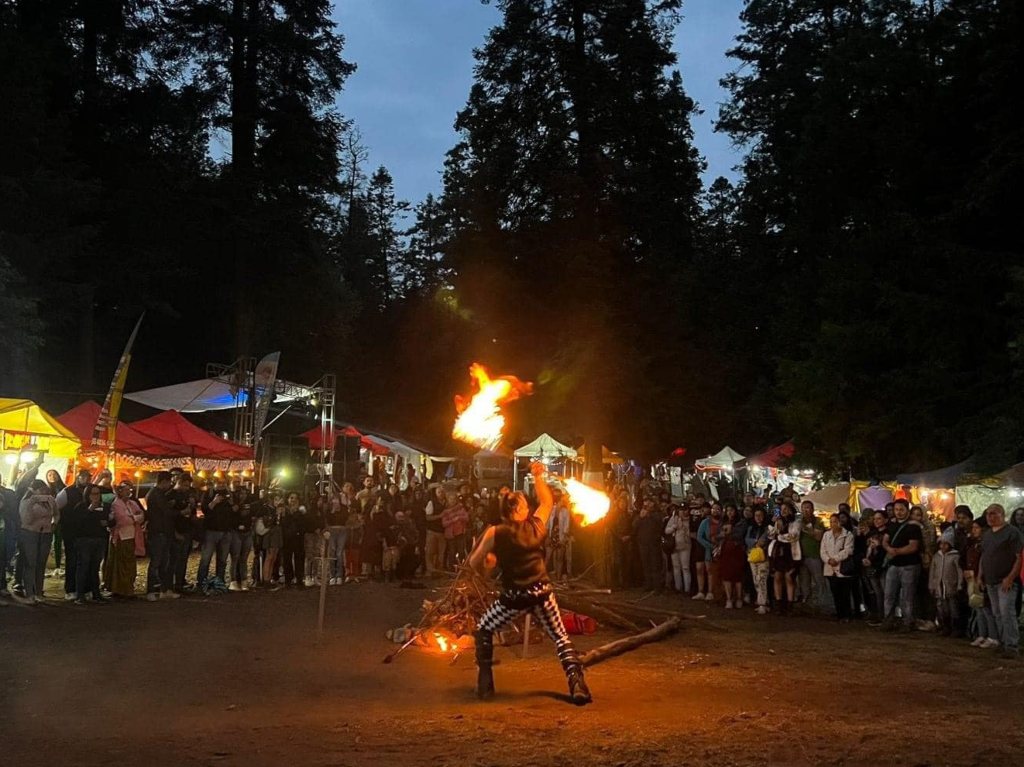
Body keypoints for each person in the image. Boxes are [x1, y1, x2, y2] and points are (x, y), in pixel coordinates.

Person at [469, 462, 592, 705]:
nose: (529, 506)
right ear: (516, 511)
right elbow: (547, 502)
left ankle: (485, 681)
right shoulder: (536, 526)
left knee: (484, 628)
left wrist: (489, 565)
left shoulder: (495, 533)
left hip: (514, 598)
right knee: (560, 637)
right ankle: (577, 684)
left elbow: (474, 562)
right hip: (542, 593)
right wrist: (537, 476)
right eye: (525, 504)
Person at [977, 504, 1023, 659]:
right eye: (988, 514)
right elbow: (984, 556)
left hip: (1006, 581)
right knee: (997, 613)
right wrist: (980, 576)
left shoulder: (1012, 533)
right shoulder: (987, 534)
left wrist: (1010, 577)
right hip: (990, 580)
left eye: (994, 514)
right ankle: (1004, 642)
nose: (990, 517)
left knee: (1006, 613)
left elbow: (1019, 557)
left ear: (1002, 514)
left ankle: (1012, 646)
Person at [66, 485, 112, 605]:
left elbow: (111, 519)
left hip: (99, 539)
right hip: (84, 540)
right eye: (93, 494)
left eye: (97, 494)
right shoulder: (81, 506)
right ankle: (80, 594)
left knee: (95, 568)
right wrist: (89, 510)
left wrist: (108, 522)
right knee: (83, 567)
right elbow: (76, 523)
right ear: (87, 495)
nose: (95, 496)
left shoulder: (104, 507)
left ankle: (95, 593)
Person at [881, 499, 923, 632]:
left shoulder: (913, 527)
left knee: (907, 596)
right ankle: (888, 620)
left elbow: (913, 546)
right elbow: (885, 540)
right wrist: (889, 549)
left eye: (901, 510)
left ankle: (907, 621)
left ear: (907, 510)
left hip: (909, 565)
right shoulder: (891, 525)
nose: (898, 512)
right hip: (894, 565)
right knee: (889, 594)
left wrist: (896, 551)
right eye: (896, 510)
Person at [16, 479, 58, 604]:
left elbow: (56, 513)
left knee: (41, 563)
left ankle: (39, 591)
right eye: (41, 490)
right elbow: (26, 520)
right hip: (30, 533)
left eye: (45, 490)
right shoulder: (26, 502)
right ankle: (29, 593)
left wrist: (54, 524)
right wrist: (32, 503)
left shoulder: (50, 500)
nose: (43, 493)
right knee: (31, 563)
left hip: (45, 533)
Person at [105, 481, 144, 599]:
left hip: (132, 536)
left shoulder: (132, 503)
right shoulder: (116, 505)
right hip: (122, 536)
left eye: (129, 490)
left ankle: (128, 588)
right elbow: (122, 520)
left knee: (129, 564)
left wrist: (135, 518)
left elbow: (142, 514)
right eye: (126, 490)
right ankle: (119, 588)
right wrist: (135, 518)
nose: (128, 492)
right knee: (120, 563)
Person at [145, 472, 178, 601]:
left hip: (163, 532)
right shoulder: (155, 494)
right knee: (156, 562)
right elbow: (165, 511)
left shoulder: (158, 494)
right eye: (169, 482)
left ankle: (163, 589)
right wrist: (179, 511)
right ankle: (151, 590)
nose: (170, 485)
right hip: (158, 532)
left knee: (164, 562)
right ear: (164, 481)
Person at [965, 520, 998, 648]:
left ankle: (992, 636)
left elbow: (984, 562)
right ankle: (982, 634)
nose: (974, 530)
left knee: (986, 608)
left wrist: (981, 577)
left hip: (983, 578)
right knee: (978, 607)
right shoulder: (974, 544)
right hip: (973, 577)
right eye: (973, 528)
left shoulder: (986, 545)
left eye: (977, 528)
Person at [197, 479, 233, 592]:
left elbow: (233, 510)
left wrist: (232, 503)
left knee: (222, 559)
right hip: (211, 531)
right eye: (219, 483)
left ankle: (220, 582)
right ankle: (201, 582)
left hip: (226, 531)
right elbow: (205, 510)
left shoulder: (229, 494)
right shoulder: (208, 494)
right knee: (206, 559)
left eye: (224, 483)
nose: (222, 485)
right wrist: (214, 502)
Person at [768, 501, 802, 614]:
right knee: (777, 576)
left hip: (790, 553)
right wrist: (775, 528)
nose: (784, 511)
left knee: (789, 577)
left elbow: (793, 536)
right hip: (778, 552)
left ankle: (790, 605)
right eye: (782, 509)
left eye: (786, 509)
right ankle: (778, 603)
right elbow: (772, 534)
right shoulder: (779, 522)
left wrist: (779, 537)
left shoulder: (796, 522)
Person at [821, 513, 855, 622]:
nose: (832, 524)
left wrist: (836, 559)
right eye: (831, 522)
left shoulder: (848, 535)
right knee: (835, 592)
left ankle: (847, 614)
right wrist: (828, 560)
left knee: (845, 593)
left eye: (834, 521)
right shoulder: (826, 535)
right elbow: (823, 550)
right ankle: (840, 614)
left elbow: (848, 550)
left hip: (842, 567)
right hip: (830, 567)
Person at [929, 527, 963, 636]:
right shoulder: (936, 556)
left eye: (946, 544)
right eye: (941, 544)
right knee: (941, 608)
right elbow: (932, 571)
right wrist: (932, 585)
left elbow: (959, 571)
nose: (943, 546)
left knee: (953, 608)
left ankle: (956, 628)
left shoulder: (955, 556)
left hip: (951, 586)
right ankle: (945, 627)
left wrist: (959, 584)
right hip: (939, 587)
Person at [633, 497, 665, 593]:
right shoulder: (640, 514)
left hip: (654, 544)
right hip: (643, 543)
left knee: (655, 565)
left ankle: (657, 587)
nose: (647, 504)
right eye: (645, 502)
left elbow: (660, 524)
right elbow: (634, 526)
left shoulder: (657, 514)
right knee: (646, 565)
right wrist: (640, 517)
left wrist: (649, 515)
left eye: (649, 502)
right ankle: (648, 585)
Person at [798, 500, 825, 607]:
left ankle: (821, 602)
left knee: (819, 580)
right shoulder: (798, 521)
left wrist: (806, 529)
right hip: (801, 556)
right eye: (803, 508)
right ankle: (807, 601)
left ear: (812, 509)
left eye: (808, 507)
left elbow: (819, 536)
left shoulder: (818, 521)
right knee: (804, 581)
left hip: (814, 555)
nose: (805, 510)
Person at [745, 506, 771, 614]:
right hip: (753, 556)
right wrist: (755, 543)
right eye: (756, 515)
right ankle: (762, 600)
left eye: (760, 515)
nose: (758, 518)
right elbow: (746, 540)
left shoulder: (768, 528)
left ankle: (762, 603)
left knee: (762, 579)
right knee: (756, 580)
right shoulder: (751, 528)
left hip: (764, 557)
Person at [228, 485, 255, 591]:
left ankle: (244, 580)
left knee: (244, 558)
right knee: (235, 557)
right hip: (236, 532)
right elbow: (230, 517)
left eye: (244, 493)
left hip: (247, 532)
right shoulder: (233, 504)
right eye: (240, 493)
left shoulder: (249, 504)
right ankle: (233, 581)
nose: (242, 495)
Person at [695, 503, 721, 600]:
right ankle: (701, 591)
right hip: (706, 549)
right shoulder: (705, 522)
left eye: (717, 509)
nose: (715, 510)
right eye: (713, 508)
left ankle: (711, 591)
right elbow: (699, 536)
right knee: (702, 569)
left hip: (718, 549)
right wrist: (711, 546)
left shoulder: (723, 523)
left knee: (711, 571)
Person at [323, 489, 349, 585]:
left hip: (342, 530)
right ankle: (332, 575)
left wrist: (339, 510)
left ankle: (339, 575)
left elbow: (345, 519)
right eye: (333, 499)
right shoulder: (329, 509)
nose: (335, 501)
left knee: (339, 552)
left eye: (336, 499)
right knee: (332, 551)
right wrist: (333, 512)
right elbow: (327, 520)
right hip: (332, 530)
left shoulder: (344, 508)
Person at [718, 522, 747, 608]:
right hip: (725, 557)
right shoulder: (722, 537)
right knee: (727, 578)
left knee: (737, 579)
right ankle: (729, 599)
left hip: (736, 557)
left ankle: (738, 599)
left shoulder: (737, 537)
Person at [664, 505, 692, 594]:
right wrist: (673, 527)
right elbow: (666, 530)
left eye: (685, 510)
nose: (683, 512)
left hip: (685, 546)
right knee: (676, 567)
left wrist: (685, 529)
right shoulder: (674, 518)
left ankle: (687, 589)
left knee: (685, 567)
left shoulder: (690, 520)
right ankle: (678, 587)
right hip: (674, 546)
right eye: (681, 510)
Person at [546, 488, 573, 580]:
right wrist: (548, 536)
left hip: (560, 537)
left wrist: (564, 538)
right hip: (552, 535)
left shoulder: (565, 511)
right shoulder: (551, 509)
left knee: (559, 558)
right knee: (548, 557)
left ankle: (558, 578)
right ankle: (543, 577)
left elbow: (566, 526)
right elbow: (548, 524)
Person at [44, 469, 66, 576]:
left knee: (58, 542)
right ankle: (47, 565)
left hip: (61, 520)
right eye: (49, 475)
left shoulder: (63, 489)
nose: (52, 476)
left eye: (54, 474)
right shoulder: (45, 490)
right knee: (47, 542)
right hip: (48, 520)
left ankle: (58, 566)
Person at [424, 487, 448, 576]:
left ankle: (439, 571)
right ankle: (430, 570)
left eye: (442, 492)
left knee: (441, 553)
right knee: (430, 551)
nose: (441, 493)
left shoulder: (447, 503)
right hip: (432, 531)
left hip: (443, 532)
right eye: (439, 492)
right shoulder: (431, 503)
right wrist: (439, 516)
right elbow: (428, 517)